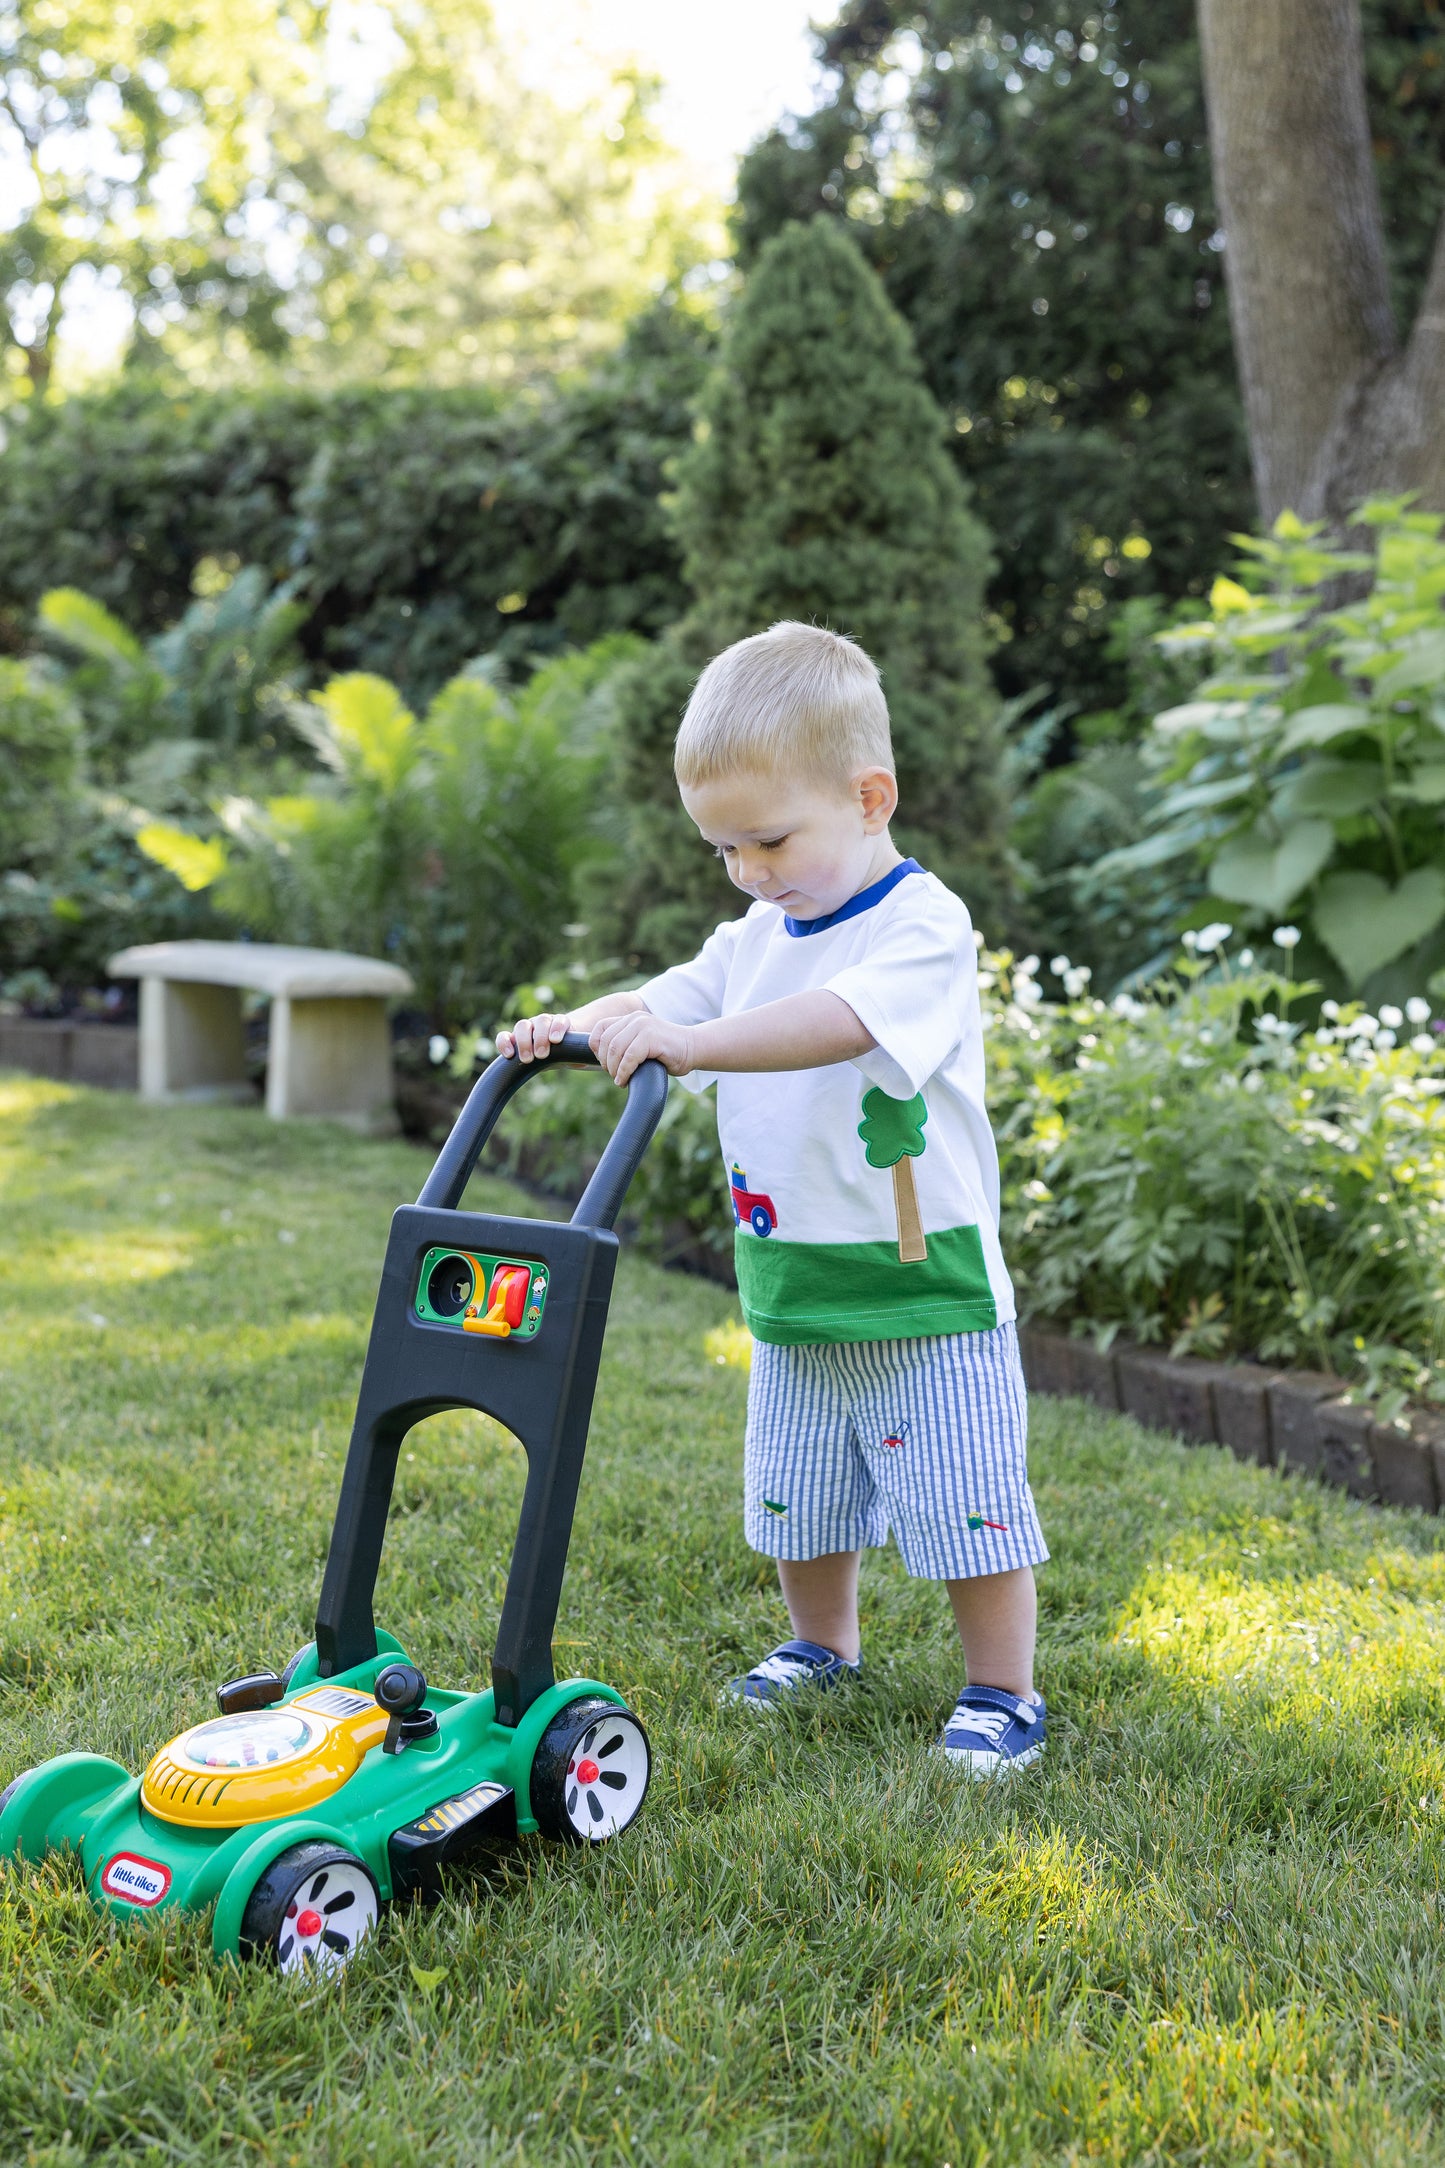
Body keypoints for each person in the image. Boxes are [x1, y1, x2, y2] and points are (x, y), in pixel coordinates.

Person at [498, 622, 1048, 1775]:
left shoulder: (919, 927)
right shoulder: (751, 933)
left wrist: (690, 1044)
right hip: (790, 1281)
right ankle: (819, 1643)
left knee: (964, 1497)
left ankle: (1002, 1689)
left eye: (768, 838)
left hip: (921, 1283)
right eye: (723, 850)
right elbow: (662, 994)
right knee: (798, 1487)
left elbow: (837, 1021)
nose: (749, 869)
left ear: (868, 795)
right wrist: (575, 1022)